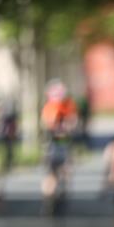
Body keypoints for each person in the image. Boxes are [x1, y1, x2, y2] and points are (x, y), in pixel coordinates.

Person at [40, 80, 78, 212]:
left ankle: (48, 200)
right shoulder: (67, 106)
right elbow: (73, 124)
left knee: (50, 174)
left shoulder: (48, 108)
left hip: (50, 147)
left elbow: (45, 124)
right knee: (65, 170)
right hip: (61, 146)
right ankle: (59, 194)